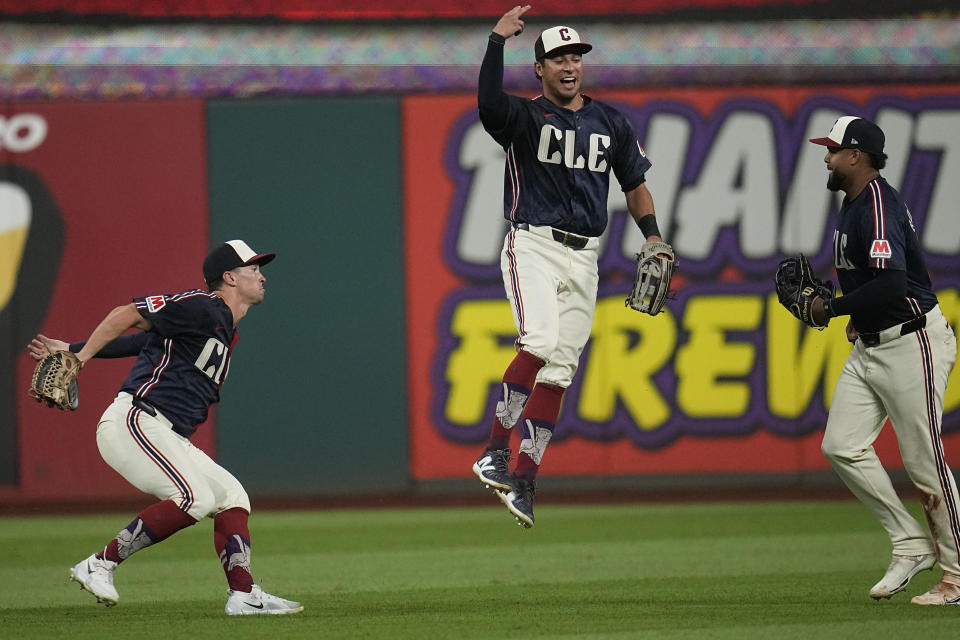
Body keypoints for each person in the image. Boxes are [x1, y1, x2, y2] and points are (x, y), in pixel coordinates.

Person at [27, 240, 303, 615]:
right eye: (252, 268)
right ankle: (99, 564)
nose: (261, 275)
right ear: (229, 277)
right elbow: (124, 314)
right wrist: (80, 356)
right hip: (136, 420)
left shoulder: (224, 327)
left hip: (166, 431)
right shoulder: (204, 306)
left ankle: (244, 595)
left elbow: (144, 341)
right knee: (195, 499)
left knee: (232, 497)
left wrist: (75, 345)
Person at [471, 6, 667, 528]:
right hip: (533, 243)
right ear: (539, 68)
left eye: (575, 55)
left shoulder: (611, 123)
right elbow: (488, 104)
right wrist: (496, 42)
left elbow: (634, 182)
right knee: (538, 342)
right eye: (558, 57)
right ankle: (493, 451)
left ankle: (526, 481)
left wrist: (653, 236)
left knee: (559, 372)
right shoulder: (523, 117)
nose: (569, 64)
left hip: (585, 256)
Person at [806, 117, 960, 604]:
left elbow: (893, 284)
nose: (826, 157)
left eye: (832, 150)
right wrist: (856, 313)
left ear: (856, 155)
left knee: (925, 462)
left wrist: (832, 308)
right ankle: (910, 541)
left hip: (911, 341)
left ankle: (957, 575)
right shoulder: (853, 203)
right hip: (872, 343)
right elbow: (877, 279)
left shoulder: (875, 204)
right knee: (841, 445)